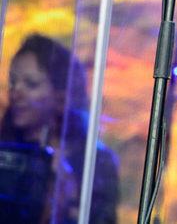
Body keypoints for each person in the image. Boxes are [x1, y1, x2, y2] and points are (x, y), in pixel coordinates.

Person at [0, 34, 119, 224]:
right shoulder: (6, 148)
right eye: (13, 81)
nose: (16, 92)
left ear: (61, 95)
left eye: (31, 84)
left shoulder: (94, 162)